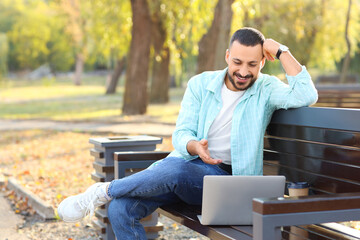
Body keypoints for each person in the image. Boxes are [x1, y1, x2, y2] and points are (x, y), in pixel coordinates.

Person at [57, 27, 318, 239]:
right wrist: (194, 146)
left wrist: (282, 50)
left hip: (228, 180)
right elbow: (181, 133)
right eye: (237, 62)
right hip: (186, 169)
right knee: (121, 209)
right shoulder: (200, 84)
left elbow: (307, 94)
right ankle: (110, 195)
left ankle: (104, 190)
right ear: (227, 56)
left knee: (176, 170)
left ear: (263, 62)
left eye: (252, 64)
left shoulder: (267, 89)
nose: (243, 71)